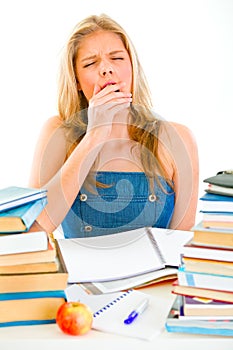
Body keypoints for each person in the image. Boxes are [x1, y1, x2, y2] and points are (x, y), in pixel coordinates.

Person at [28, 14, 199, 238]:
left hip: (159, 274)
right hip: (80, 273)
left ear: (132, 68)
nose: (106, 69)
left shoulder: (178, 137)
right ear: (77, 81)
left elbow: (181, 244)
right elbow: (33, 231)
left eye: (117, 58)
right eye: (90, 63)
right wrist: (94, 135)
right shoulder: (58, 131)